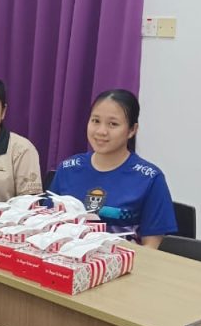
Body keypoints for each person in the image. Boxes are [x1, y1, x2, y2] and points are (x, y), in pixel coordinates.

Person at [50, 89, 177, 247]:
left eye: (113, 124)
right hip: (65, 258)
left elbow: (151, 247)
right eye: (95, 121)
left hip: (124, 261)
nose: (101, 131)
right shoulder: (67, 168)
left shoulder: (150, 179)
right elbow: (48, 225)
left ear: (132, 130)